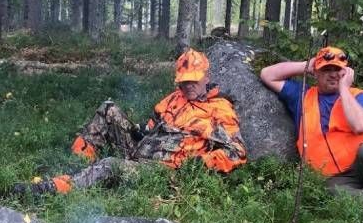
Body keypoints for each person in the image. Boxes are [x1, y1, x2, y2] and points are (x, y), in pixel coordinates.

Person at [16, 48, 247, 195]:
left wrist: (198, 164)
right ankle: (76, 165)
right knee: (109, 109)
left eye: (193, 81)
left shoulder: (220, 109)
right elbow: (152, 123)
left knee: (111, 165)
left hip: (161, 171)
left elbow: (237, 152)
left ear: (207, 76)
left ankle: (54, 188)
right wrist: (140, 131)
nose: (188, 86)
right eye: (183, 81)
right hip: (141, 149)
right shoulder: (175, 98)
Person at [260, 46, 363, 195]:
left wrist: (344, 89)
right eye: (326, 69)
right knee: (334, 191)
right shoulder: (302, 96)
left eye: (337, 70)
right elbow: (267, 75)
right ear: (315, 73)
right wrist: (306, 65)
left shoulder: (360, 96)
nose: (333, 74)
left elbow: (360, 125)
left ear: (346, 72)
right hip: (336, 177)